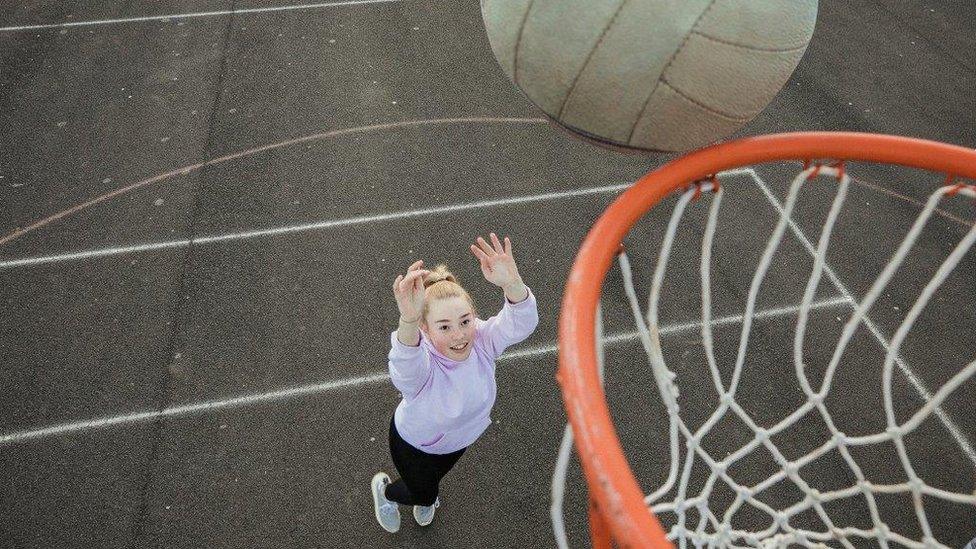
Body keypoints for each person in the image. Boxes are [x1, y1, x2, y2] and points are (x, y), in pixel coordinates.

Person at [370, 233, 539, 533]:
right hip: (415, 444)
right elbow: (404, 369)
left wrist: (512, 283)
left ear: (474, 315)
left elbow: (520, 324)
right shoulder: (424, 363)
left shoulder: (483, 340)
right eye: (444, 327)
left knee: (432, 481)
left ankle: (424, 492)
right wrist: (407, 321)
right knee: (424, 491)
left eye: (465, 321)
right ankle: (386, 493)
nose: (459, 335)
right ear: (425, 328)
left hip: (458, 441)